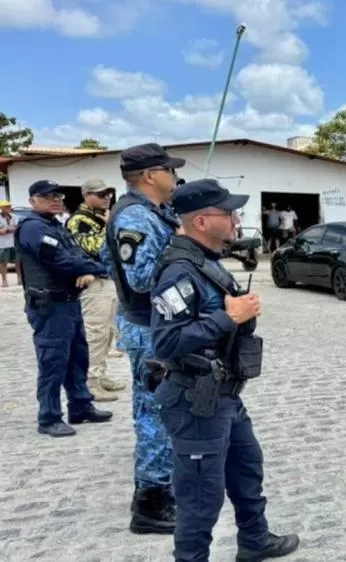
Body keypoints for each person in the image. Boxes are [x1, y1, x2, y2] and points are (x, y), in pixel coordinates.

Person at [150, 178, 299, 561]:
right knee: (200, 498)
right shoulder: (180, 271)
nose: (236, 219)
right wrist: (228, 318)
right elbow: (165, 343)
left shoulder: (207, 263)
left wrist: (239, 315)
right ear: (202, 221)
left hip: (224, 395)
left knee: (247, 469)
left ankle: (254, 541)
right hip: (194, 399)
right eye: (229, 212)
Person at [103, 142, 185, 534]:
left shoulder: (155, 214)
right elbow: (139, 278)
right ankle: (152, 503)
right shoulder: (135, 217)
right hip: (148, 327)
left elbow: (110, 263)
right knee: (154, 411)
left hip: (156, 325)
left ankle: (161, 487)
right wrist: (184, 252)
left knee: (160, 407)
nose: (175, 177)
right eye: (170, 170)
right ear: (151, 175)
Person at [13, 180, 113, 437]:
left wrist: (87, 266)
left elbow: (78, 254)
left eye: (57, 195)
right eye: (48, 196)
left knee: (77, 357)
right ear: (33, 200)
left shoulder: (55, 225)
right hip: (50, 304)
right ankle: (49, 417)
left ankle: (80, 405)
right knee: (53, 362)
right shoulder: (33, 227)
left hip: (69, 301)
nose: (56, 200)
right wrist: (95, 269)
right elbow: (60, 261)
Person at [66, 178, 127, 402]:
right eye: (100, 194)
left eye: (108, 193)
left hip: (108, 279)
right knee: (95, 333)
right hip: (94, 283)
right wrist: (111, 228)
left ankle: (100, 375)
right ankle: (90, 382)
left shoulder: (100, 217)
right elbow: (93, 247)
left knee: (108, 332)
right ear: (86, 195)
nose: (106, 197)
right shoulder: (79, 220)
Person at [1, 200, 20, 287]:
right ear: (2, 208)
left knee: (18, 261)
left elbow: (16, 228)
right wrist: (8, 229)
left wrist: (6, 229)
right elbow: (1, 232)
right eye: (6, 206)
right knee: (3, 262)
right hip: (3, 244)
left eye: (9, 206)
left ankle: (20, 279)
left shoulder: (14, 217)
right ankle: (4, 281)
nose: (9, 208)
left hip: (14, 242)